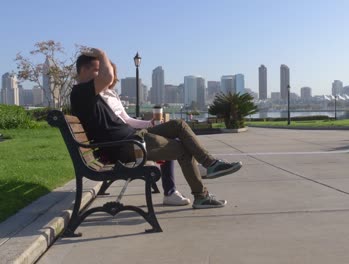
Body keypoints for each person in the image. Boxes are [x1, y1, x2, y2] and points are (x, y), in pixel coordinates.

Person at [70, 48, 242, 209]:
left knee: (178, 125)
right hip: (127, 146)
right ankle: (201, 195)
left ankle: (210, 164)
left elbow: (112, 90)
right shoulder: (80, 93)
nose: (100, 75)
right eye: (96, 70)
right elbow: (107, 76)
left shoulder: (91, 94)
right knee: (182, 149)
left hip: (132, 138)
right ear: (84, 70)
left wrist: (149, 124)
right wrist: (100, 52)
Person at [100, 63, 190, 206]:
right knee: (169, 140)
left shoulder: (112, 94)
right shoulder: (97, 97)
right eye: (103, 72)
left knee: (173, 134)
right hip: (124, 143)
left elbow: (128, 119)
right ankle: (171, 191)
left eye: (110, 72)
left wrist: (150, 124)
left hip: (131, 138)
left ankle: (171, 191)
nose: (108, 76)